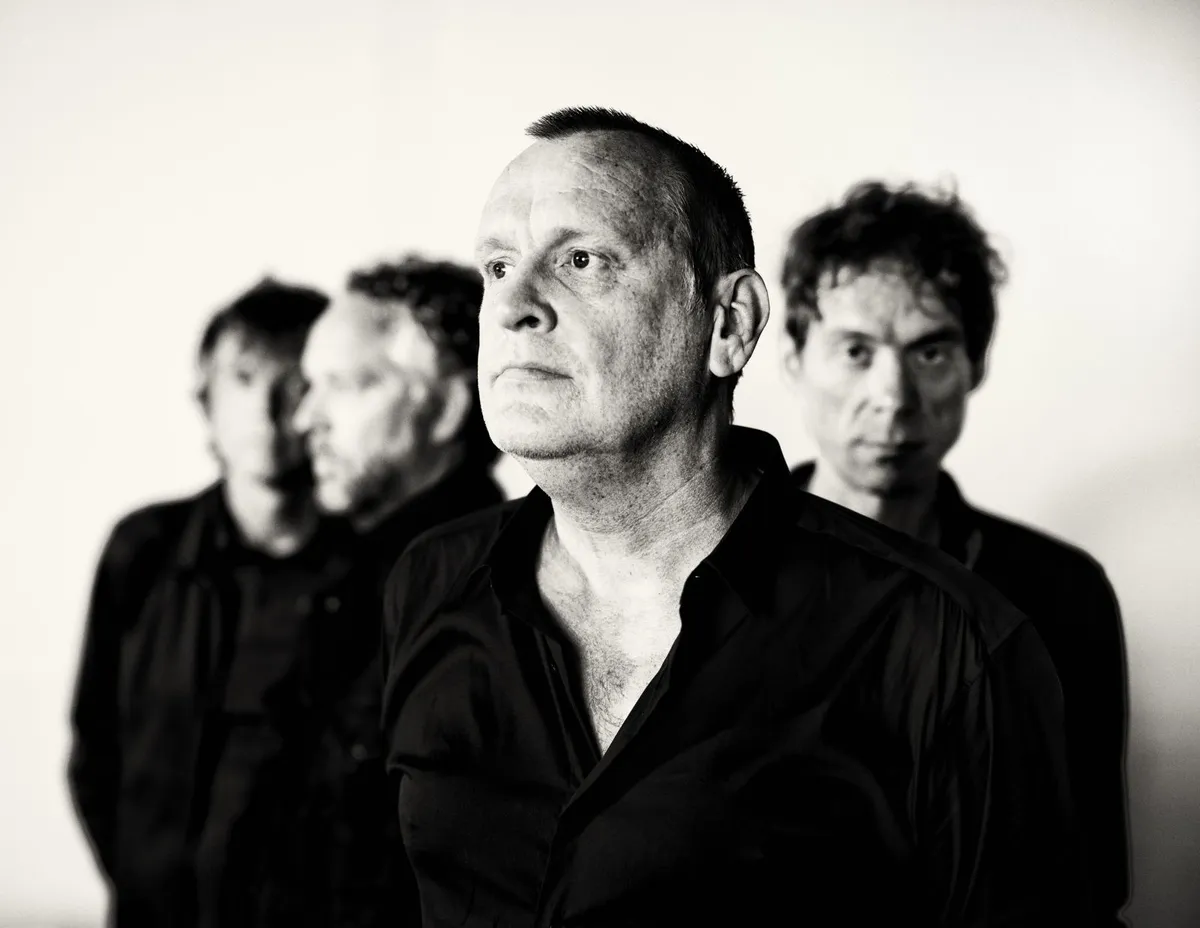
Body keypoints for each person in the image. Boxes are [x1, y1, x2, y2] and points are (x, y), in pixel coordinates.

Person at [380, 107, 1086, 927]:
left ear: (730, 324)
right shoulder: (428, 581)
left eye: (580, 260)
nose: (513, 306)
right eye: (498, 267)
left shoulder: (947, 645)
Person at [779, 179, 1130, 926]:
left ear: (976, 364)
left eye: (931, 351)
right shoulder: (709, 568)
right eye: (855, 350)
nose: (894, 396)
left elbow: (1088, 877)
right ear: (794, 357)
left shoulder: (1061, 593)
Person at [66, 278, 345, 928]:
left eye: (294, 381)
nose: (265, 409)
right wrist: (142, 882)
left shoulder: (382, 572)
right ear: (205, 398)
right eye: (242, 378)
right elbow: (95, 748)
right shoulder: (142, 550)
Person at [245, 256, 505, 925]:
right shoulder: (343, 572)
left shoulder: (488, 595)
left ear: (446, 408)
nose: (305, 420)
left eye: (345, 386)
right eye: (310, 387)